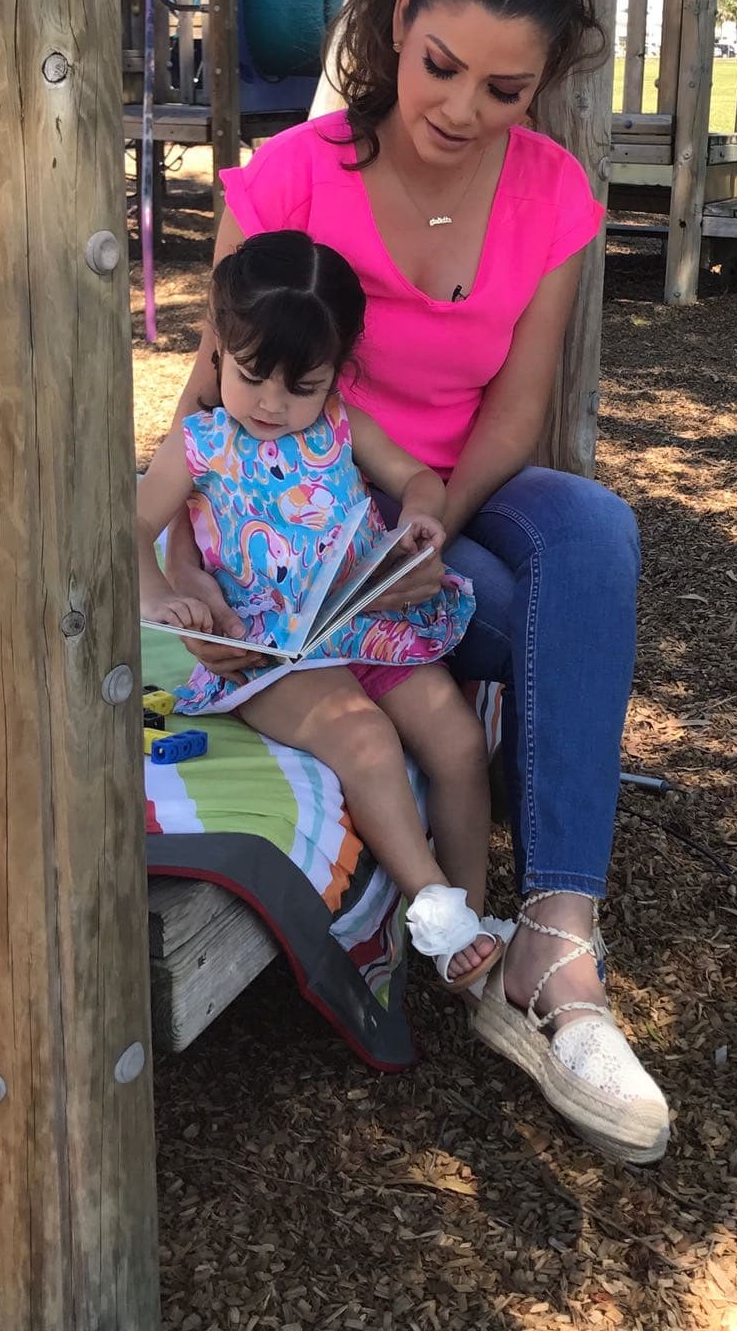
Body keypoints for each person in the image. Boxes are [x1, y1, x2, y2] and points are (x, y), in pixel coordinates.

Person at [166, 0, 670, 1162]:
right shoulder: (285, 181)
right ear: (395, 21)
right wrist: (177, 557)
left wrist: (428, 516)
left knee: (593, 533)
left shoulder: (552, 194)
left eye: (506, 89)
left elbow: (516, 411)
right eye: (442, 66)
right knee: (528, 611)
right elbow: (211, 396)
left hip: (451, 500)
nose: (461, 109)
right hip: (312, 540)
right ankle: (487, 919)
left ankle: (555, 944)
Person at [136, 230, 505, 992]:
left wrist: (420, 521)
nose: (272, 404)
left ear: (337, 371)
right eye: (250, 377)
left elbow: (420, 479)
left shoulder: (340, 424)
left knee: (459, 743)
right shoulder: (199, 445)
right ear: (217, 351)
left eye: (302, 386)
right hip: (269, 652)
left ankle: (472, 917)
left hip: (364, 624)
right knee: (364, 740)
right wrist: (161, 596)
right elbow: (130, 529)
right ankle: (435, 911)